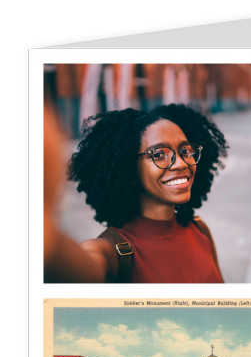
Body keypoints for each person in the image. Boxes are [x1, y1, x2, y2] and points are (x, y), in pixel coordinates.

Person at [46, 103, 228, 283]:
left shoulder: (200, 230)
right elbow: (70, 266)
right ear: (129, 168)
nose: (181, 163)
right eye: (159, 154)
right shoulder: (111, 253)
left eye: (186, 150)